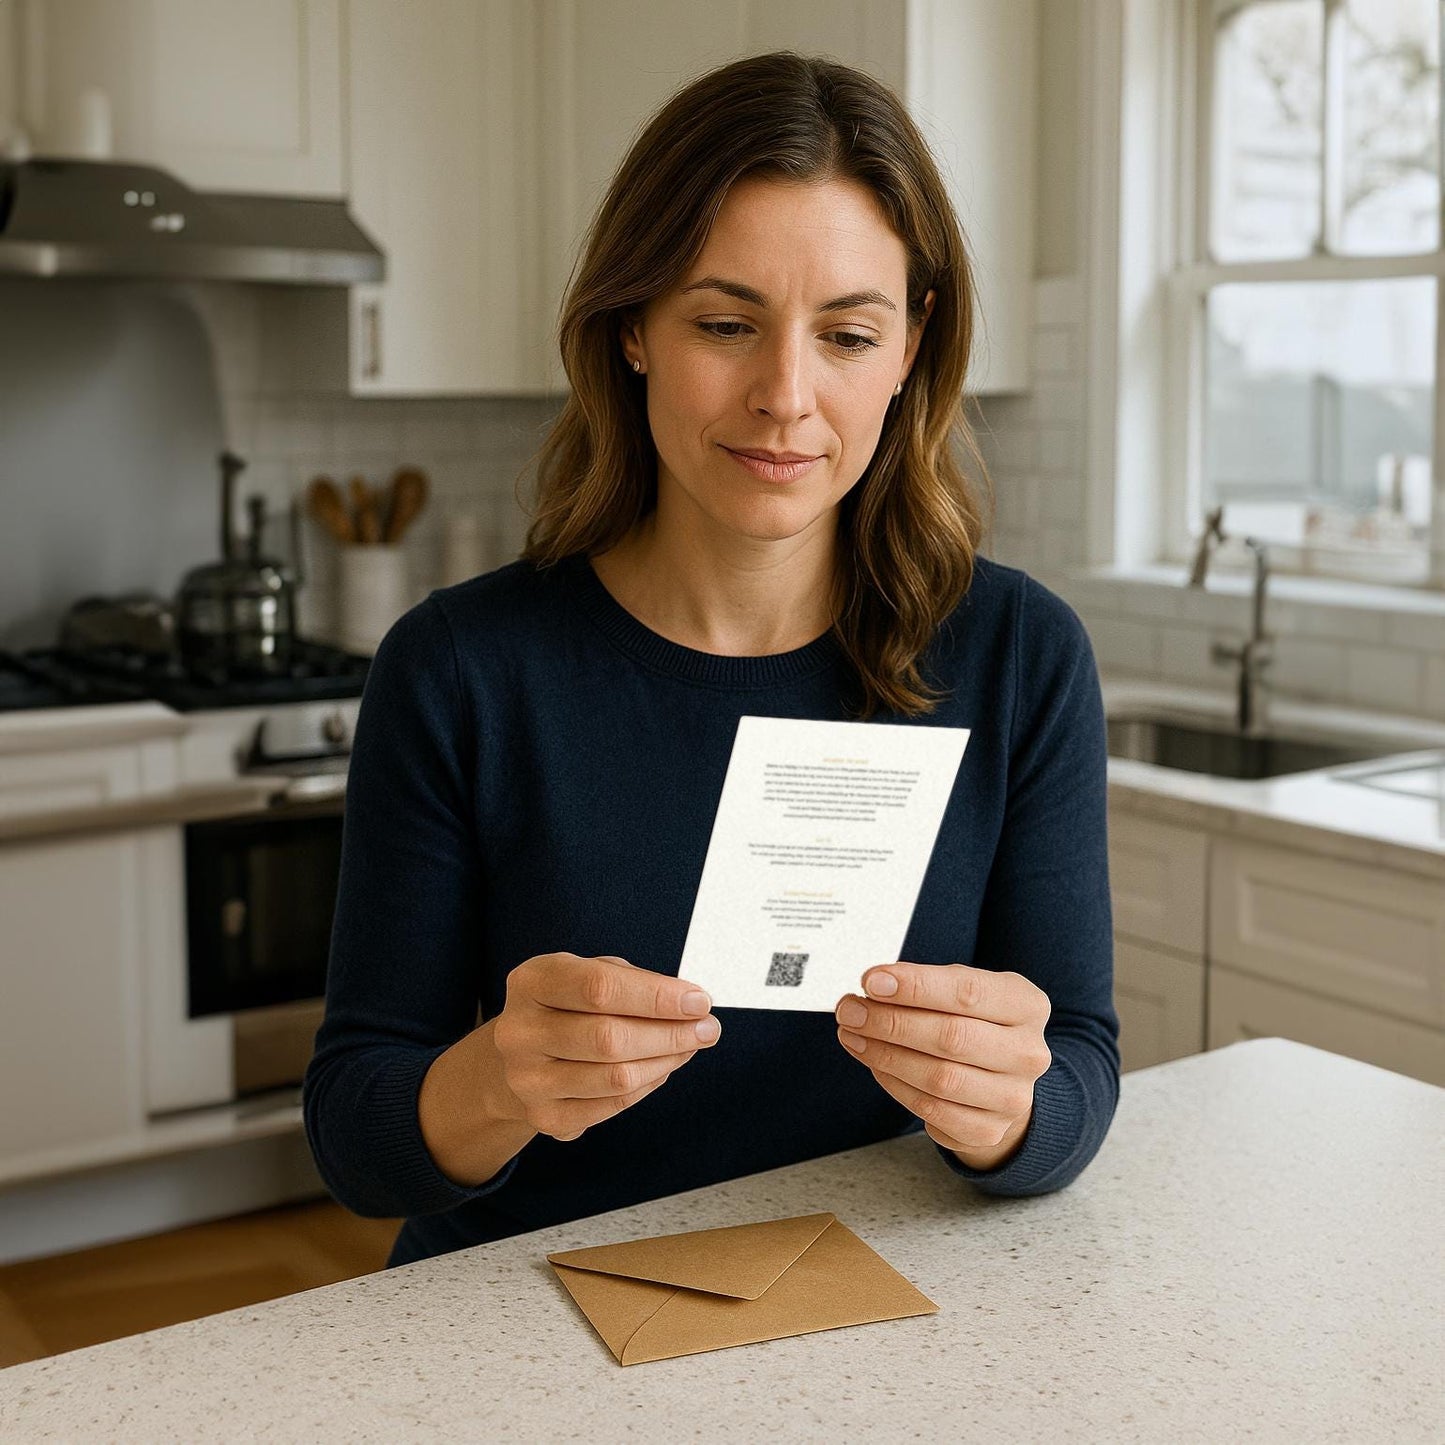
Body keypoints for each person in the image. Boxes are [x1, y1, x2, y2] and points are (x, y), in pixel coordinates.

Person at [303, 51, 1119, 1268]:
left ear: (909, 347)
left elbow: (1081, 1075)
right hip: (522, 1307)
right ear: (632, 327)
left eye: (846, 332)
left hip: (858, 1293)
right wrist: (497, 1079)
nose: (785, 394)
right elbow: (358, 1143)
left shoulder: (1017, 657)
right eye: (725, 323)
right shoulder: (458, 669)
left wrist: (1010, 1109)